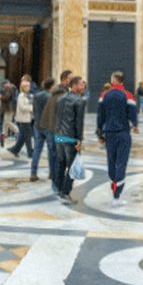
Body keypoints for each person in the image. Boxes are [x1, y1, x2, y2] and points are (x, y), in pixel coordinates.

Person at [96, 72, 138, 206]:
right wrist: (135, 125)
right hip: (123, 133)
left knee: (111, 162)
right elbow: (133, 114)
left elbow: (100, 116)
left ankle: (113, 190)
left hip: (110, 133)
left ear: (113, 80)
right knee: (121, 162)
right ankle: (117, 195)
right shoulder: (128, 95)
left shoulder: (104, 95)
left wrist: (100, 133)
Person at [53, 75, 87, 203]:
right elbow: (79, 122)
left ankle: (59, 188)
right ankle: (65, 192)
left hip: (59, 136)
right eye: (81, 84)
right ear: (74, 85)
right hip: (70, 137)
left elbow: (57, 116)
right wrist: (79, 138)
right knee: (73, 166)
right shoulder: (79, 101)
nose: (83, 87)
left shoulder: (60, 99)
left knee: (61, 163)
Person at [31, 78, 58, 184]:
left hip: (37, 125)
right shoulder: (50, 97)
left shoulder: (36, 95)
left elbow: (34, 109)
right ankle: (52, 173)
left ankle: (33, 172)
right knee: (51, 150)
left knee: (37, 149)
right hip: (48, 126)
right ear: (51, 86)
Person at [8, 79, 34, 158]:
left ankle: (15, 149)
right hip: (23, 119)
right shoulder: (21, 96)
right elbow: (22, 107)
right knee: (28, 135)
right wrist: (32, 107)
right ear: (23, 87)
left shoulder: (27, 95)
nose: (29, 88)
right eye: (27, 86)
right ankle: (30, 152)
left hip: (27, 118)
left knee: (24, 136)